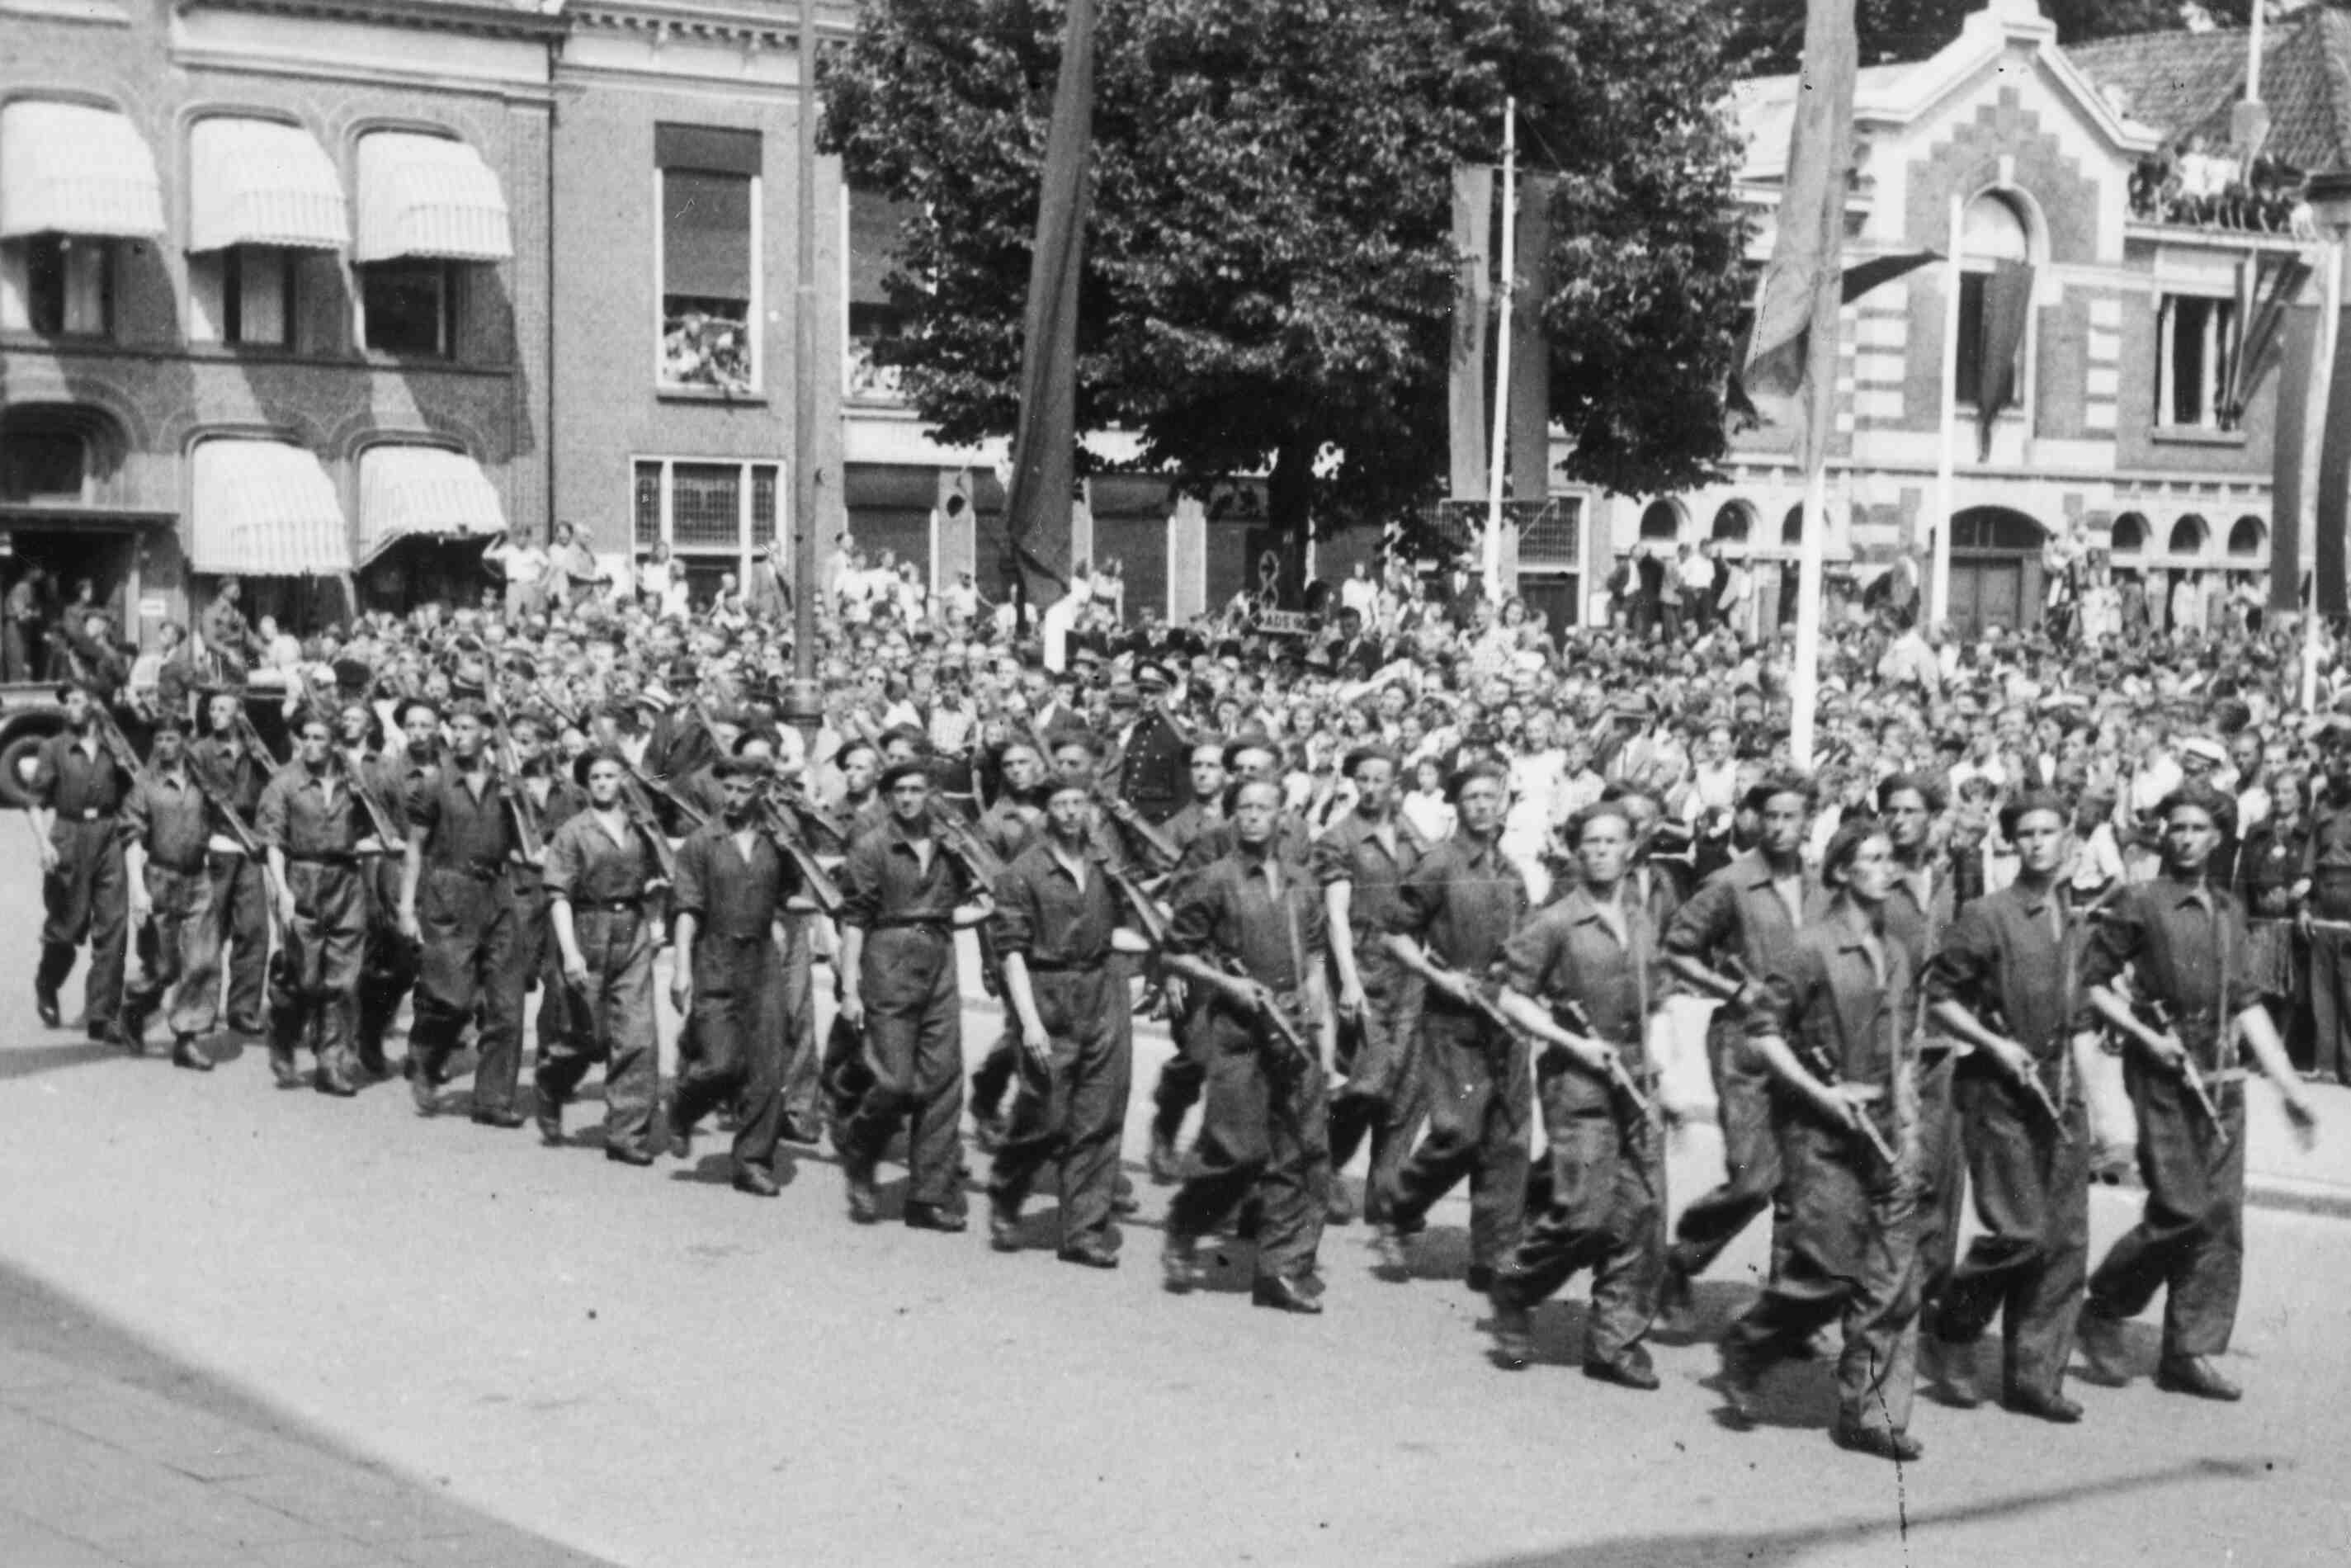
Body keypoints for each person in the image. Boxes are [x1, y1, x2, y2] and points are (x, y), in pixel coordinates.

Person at [2075, 784, 2319, 1402]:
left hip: (2221, 1072)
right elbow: (2093, 984)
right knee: (2181, 1207)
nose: (2183, 838)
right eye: (2174, 827)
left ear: (2217, 839)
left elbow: (2244, 1002)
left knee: (2219, 1219)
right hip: (2160, 1067)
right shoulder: (2139, 901)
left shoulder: (2228, 908)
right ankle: (2103, 1303)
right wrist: (2139, 1034)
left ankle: (2189, 1351)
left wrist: (2288, 1086)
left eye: (2196, 829)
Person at [1719, 822, 1925, 1463]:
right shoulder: (1806, 947)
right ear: (1838, 872)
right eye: (1868, 858)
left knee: (1892, 1279)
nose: (1884, 867)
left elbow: (1902, 1048)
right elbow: (1763, 1033)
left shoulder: (1895, 950)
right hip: (1819, 1132)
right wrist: (1818, 1092)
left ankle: (1867, 1412)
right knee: (1833, 1269)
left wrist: (1911, 1124)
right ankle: (1753, 1341)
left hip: (1884, 1129)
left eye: (1889, 857)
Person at [1919, 791, 2100, 1423]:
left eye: (2048, 831)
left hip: (2061, 1093)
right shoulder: (1986, 914)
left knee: (2063, 1242)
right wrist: (1994, 1043)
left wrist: (2097, 1109)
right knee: (2017, 1231)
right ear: (2009, 843)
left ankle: (2033, 1378)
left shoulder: (2076, 919)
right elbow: (1938, 998)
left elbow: (2080, 1018)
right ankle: (1954, 1331)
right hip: (1997, 1092)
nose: (2036, 843)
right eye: (2024, 833)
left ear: (2068, 837)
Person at [1486, 800, 1669, 1388]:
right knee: (1583, 1214)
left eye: (1611, 842)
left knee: (1640, 1213)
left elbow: (1658, 996)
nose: (1599, 852)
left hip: (1637, 1079)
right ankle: (1516, 1284)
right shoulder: (1555, 920)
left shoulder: (1641, 916)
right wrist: (1572, 1042)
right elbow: (1512, 998)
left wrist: (1660, 1058)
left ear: (1631, 849)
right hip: (1579, 1079)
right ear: (1575, 850)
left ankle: (1614, 1343)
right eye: (1588, 842)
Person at [1158, 778, 1335, 1313]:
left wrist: (1314, 1017)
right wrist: (1232, 985)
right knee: (1237, 1150)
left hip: (1291, 1029)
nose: (1255, 817)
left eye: (1264, 808)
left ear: (1282, 816)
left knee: (1299, 1150)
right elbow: (1175, 953)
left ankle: (1279, 1271)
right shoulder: (1214, 880)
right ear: (1233, 817)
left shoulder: (1304, 881)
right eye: (1245, 809)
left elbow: (1315, 958)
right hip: (1237, 1028)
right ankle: (1186, 1223)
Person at [1659, 776, 1826, 1317]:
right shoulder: (1731, 882)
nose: (1778, 827)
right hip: (1744, 1045)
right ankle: (1679, 1260)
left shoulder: (1825, 886)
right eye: (1770, 816)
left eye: (1790, 817)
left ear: (1809, 821)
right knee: (1754, 1176)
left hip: (1805, 1047)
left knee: (1799, 1185)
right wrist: (1735, 987)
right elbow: (1678, 950)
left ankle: (1780, 1308)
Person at [1371, 760, 1533, 1292]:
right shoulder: (1439, 863)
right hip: (1450, 1020)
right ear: (1457, 806)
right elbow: (1395, 935)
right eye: (1472, 798)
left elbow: (1527, 947)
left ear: (1504, 803)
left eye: (1492, 796)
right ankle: (1398, 1208)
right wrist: (1438, 978)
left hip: (1504, 1019)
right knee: (1459, 1132)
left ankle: (1492, 1255)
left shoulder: (1511, 873)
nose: (1483, 806)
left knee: (1506, 1143)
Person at [834, 760, 988, 1230]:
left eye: (917, 789)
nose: (907, 798)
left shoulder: (950, 846)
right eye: (898, 790)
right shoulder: (871, 847)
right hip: (888, 958)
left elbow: (959, 902)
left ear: (932, 794)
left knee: (943, 1083)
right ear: (888, 797)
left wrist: (985, 909)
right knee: (894, 1081)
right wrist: (848, 988)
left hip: (939, 958)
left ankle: (928, 1196)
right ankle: (860, 1153)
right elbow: (855, 920)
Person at [986, 772, 1132, 1266]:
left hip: (1102, 990)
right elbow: (1011, 953)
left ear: (1091, 809)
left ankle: (1083, 1233)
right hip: (1047, 992)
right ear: (1047, 812)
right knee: (1044, 1115)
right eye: (1062, 804)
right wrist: (1028, 1023)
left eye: (1079, 803)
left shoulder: (1105, 865)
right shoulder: (1021, 873)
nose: (1071, 812)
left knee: (1099, 1114)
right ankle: (1007, 1191)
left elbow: (1122, 931)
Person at [668, 756, 807, 1196]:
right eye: (726, 788)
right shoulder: (701, 842)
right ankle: (684, 1105)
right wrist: (680, 970)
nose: (732, 797)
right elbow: (687, 910)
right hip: (715, 955)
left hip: (763, 959)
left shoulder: (779, 842)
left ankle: (752, 1161)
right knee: (720, 1062)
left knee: (767, 1063)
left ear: (761, 790)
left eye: (743, 789)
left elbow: (791, 895)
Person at [1312, 743, 1429, 1226]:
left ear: (1395, 783)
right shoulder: (1340, 838)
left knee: (1408, 1088)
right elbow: (1337, 915)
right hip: (1363, 966)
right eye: (1363, 778)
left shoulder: (1411, 834)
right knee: (1366, 1082)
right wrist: (1349, 983)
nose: (1371, 787)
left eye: (1381, 779)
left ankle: (1384, 1191)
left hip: (1409, 971)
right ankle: (1322, 1170)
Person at [399, 701, 529, 1126]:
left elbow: (525, 841)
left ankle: (492, 1099)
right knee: (451, 996)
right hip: (449, 891)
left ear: (487, 733)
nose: (457, 734)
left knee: (506, 1005)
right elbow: (415, 847)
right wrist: (406, 905)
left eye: (467, 727)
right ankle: (425, 1056)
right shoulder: (434, 785)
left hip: (497, 892)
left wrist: (519, 804)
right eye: (452, 727)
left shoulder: (507, 784)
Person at [539, 749, 662, 1163]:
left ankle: (626, 1134)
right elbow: (558, 895)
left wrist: (657, 920)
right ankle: (552, 1084)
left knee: (637, 1034)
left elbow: (659, 873)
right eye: (596, 777)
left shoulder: (641, 825)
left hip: (632, 928)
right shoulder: (573, 832)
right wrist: (571, 954)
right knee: (583, 1036)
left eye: (612, 775)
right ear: (585, 784)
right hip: (586, 928)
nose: (605, 783)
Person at [257, 711, 374, 1094]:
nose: (310, 745)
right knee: (303, 976)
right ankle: (284, 1033)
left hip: (345, 879)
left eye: (319, 738)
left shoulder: (352, 780)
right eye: (305, 737)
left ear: (334, 741)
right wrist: (283, 892)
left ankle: (330, 1063)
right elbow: (272, 841)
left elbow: (377, 823)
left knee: (342, 979)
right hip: (301, 877)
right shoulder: (284, 782)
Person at [116, 710, 230, 1071]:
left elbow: (223, 817)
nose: (164, 745)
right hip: (159, 880)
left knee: (203, 962)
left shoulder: (203, 783)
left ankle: (187, 1038)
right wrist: (137, 889)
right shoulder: (145, 786)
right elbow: (131, 839)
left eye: (171, 738)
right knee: (163, 968)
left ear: (185, 741)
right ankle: (135, 1007)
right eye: (159, 740)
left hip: (198, 880)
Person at [27, 679, 134, 1043]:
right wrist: (44, 844)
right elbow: (36, 801)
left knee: (114, 926)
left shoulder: (113, 746)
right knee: (66, 928)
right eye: (67, 701)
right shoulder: (53, 748)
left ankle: (102, 1014)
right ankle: (47, 982)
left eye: (77, 699)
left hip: (108, 835)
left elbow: (133, 786)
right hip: (69, 836)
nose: (70, 706)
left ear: (95, 704)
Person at [189, 687, 271, 1036]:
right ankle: (202, 1010)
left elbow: (272, 791)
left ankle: (243, 1009)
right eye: (212, 709)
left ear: (239, 714)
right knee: (210, 933)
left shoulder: (256, 752)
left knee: (253, 931)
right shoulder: (199, 752)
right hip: (216, 845)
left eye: (224, 709)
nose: (216, 714)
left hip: (250, 849)